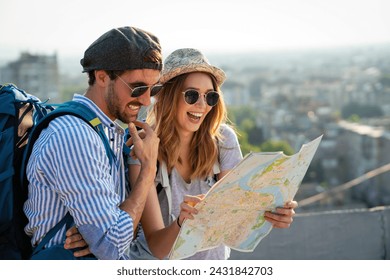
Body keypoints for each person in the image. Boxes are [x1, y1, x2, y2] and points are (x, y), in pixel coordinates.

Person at [23, 26, 196, 260]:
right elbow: (112, 247)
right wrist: (148, 169)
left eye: (154, 89)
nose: (146, 100)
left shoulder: (107, 131)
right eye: (138, 88)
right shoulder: (76, 137)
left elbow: (119, 231)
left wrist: (99, 232)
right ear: (102, 77)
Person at [126, 48, 298, 260]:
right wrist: (182, 222)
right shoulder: (143, 147)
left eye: (211, 97)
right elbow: (157, 248)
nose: (202, 105)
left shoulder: (224, 140)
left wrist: (272, 212)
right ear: (168, 97)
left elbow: (235, 218)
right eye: (191, 95)